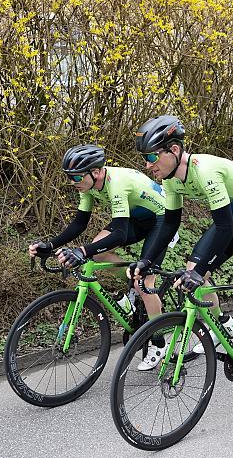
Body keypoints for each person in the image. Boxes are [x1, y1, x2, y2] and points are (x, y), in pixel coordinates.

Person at [131, 115, 233, 386]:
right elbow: (169, 222)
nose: (148, 166)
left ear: (174, 150)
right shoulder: (170, 178)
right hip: (232, 222)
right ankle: (223, 326)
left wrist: (201, 269)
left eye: (152, 157)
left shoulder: (205, 171)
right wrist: (146, 260)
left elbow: (224, 227)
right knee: (194, 275)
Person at [28, 144, 171, 370]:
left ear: (95, 172)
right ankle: (130, 291)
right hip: (135, 217)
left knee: (144, 282)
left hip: (162, 220)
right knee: (98, 252)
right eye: (69, 177)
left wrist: (82, 251)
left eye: (76, 177)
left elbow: (120, 234)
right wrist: (51, 244)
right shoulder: (88, 187)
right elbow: (79, 223)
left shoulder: (116, 184)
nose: (72, 182)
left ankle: (159, 341)